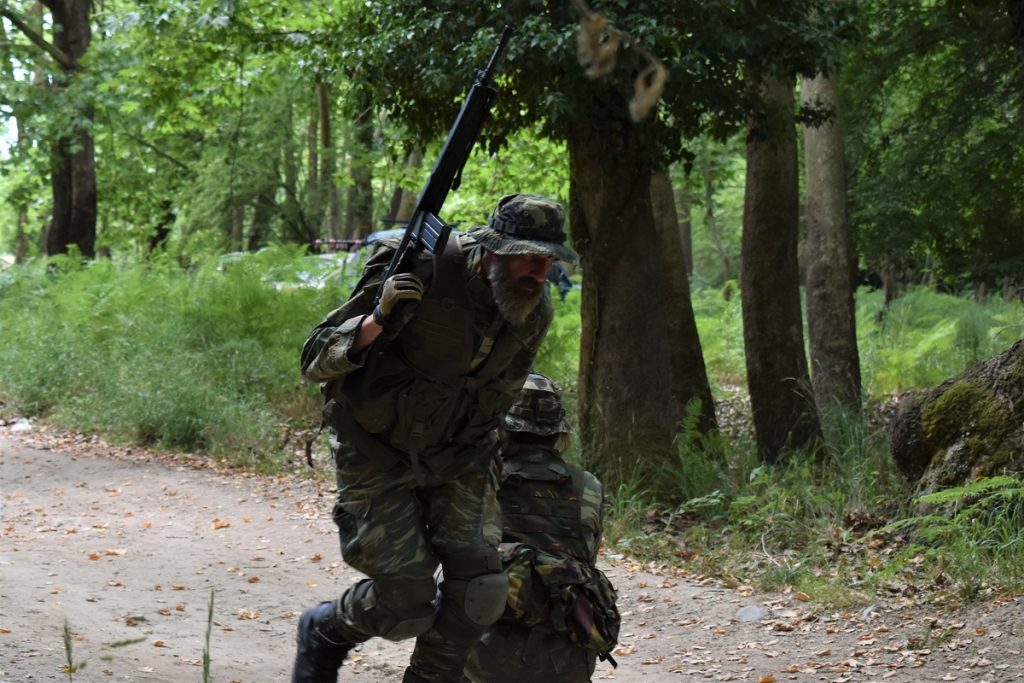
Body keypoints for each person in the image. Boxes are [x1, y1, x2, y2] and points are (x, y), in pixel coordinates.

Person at [293, 194, 576, 683]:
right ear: (494, 250)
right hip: (377, 449)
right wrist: (376, 322)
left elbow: (501, 395)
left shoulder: (532, 309)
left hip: (460, 455)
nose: (539, 271)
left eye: (548, 260)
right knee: (406, 599)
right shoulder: (421, 270)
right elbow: (313, 359)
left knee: (482, 592)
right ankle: (326, 630)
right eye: (528, 257)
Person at [463, 373, 620, 683]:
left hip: (482, 655)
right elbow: (586, 559)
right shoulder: (588, 486)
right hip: (566, 654)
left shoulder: (477, 480)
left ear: (504, 427)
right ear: (556, 430)